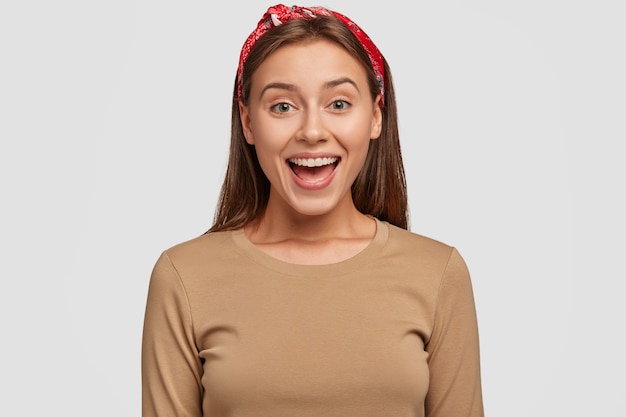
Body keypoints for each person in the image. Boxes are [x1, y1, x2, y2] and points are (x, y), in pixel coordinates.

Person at [141, 4, 484, 417]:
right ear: (248, 123)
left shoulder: (438, 273)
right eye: (282, 106)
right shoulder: (184, 279)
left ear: (375, 116)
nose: (313, 132)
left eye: (338, 104)